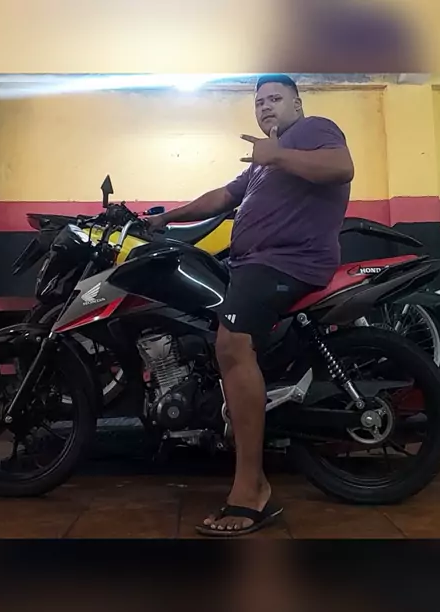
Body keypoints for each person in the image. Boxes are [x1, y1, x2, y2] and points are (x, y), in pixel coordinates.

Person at [147, 74, 354, 536]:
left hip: (288, 261)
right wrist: (164, 219)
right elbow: (223, 196)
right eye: (259, 101)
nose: (265, 106)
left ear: (297, 105)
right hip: (250, 264)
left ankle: (251, 489)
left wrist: (276, 153)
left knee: (232, 343)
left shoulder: (313, 130)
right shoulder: (261, 164)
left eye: (276, 98)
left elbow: (342, 167)